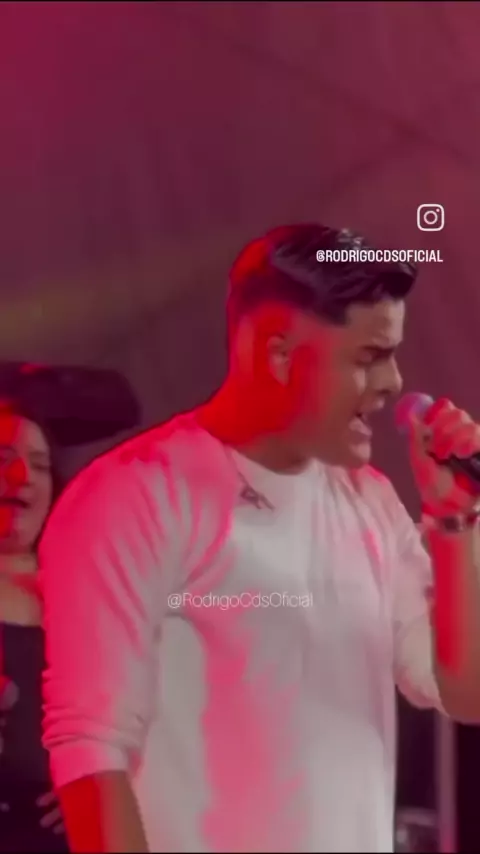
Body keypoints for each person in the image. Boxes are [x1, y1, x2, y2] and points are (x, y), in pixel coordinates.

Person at [40, 224, 480, 854]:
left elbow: (465, 692)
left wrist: (454, 522)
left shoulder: (372, 502)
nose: (393, 382)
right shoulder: (132, 496)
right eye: (368, 356)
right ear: (279, 356)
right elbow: (91, 750)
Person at [0, 362, 140, 853]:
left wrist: (111, 775)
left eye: (40, 465)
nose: (23, 477)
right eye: (3, 458)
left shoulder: (89, 585)